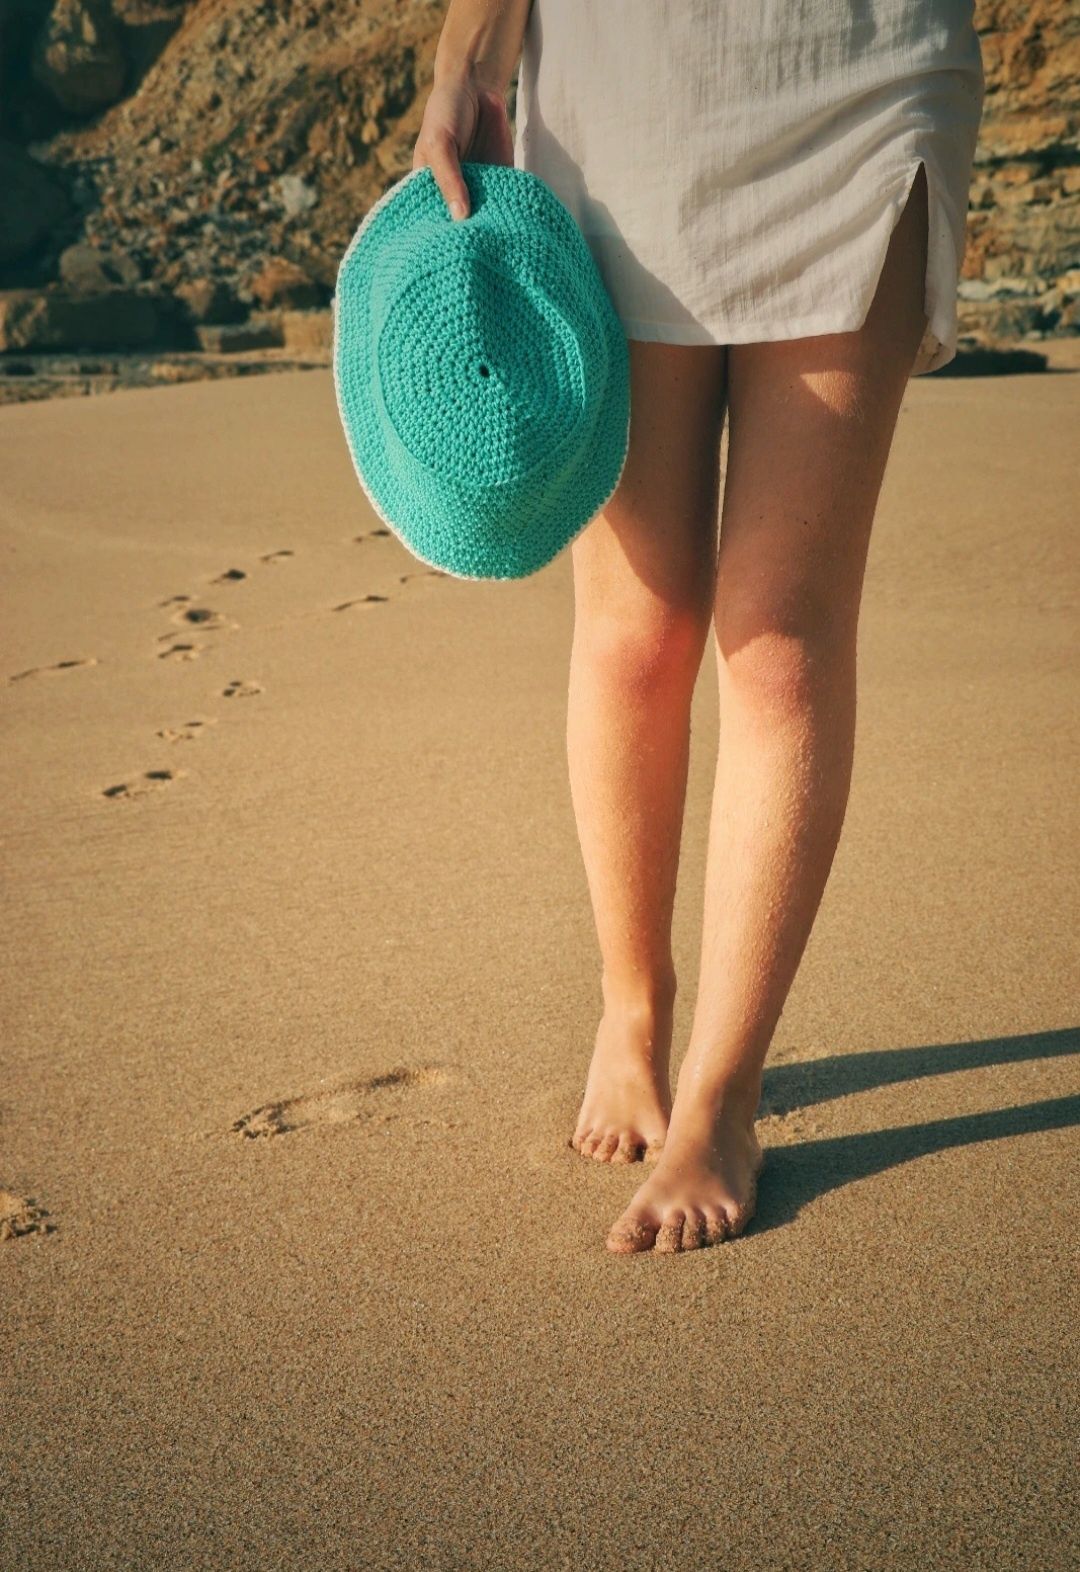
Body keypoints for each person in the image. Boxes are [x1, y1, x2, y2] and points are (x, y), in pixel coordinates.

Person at [410, 0, 986, 1254]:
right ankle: (633, 1006)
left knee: (779, 634)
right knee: (637, 619)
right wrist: (465, 61)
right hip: (623, 90)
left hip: (860, 72)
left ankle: (721, 1098)